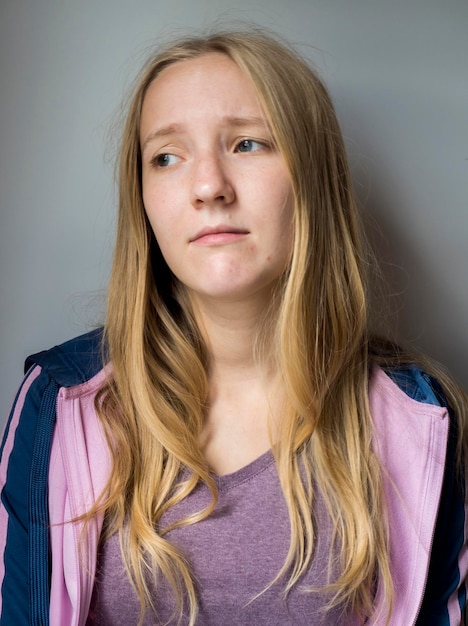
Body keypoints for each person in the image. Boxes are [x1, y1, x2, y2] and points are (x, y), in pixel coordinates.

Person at [0, 28, 466, 626]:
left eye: (247, 144)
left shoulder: (422, 416)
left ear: (312, 178)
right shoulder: (59, 403)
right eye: (166, 156)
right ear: (142, 199)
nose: (208, 187)